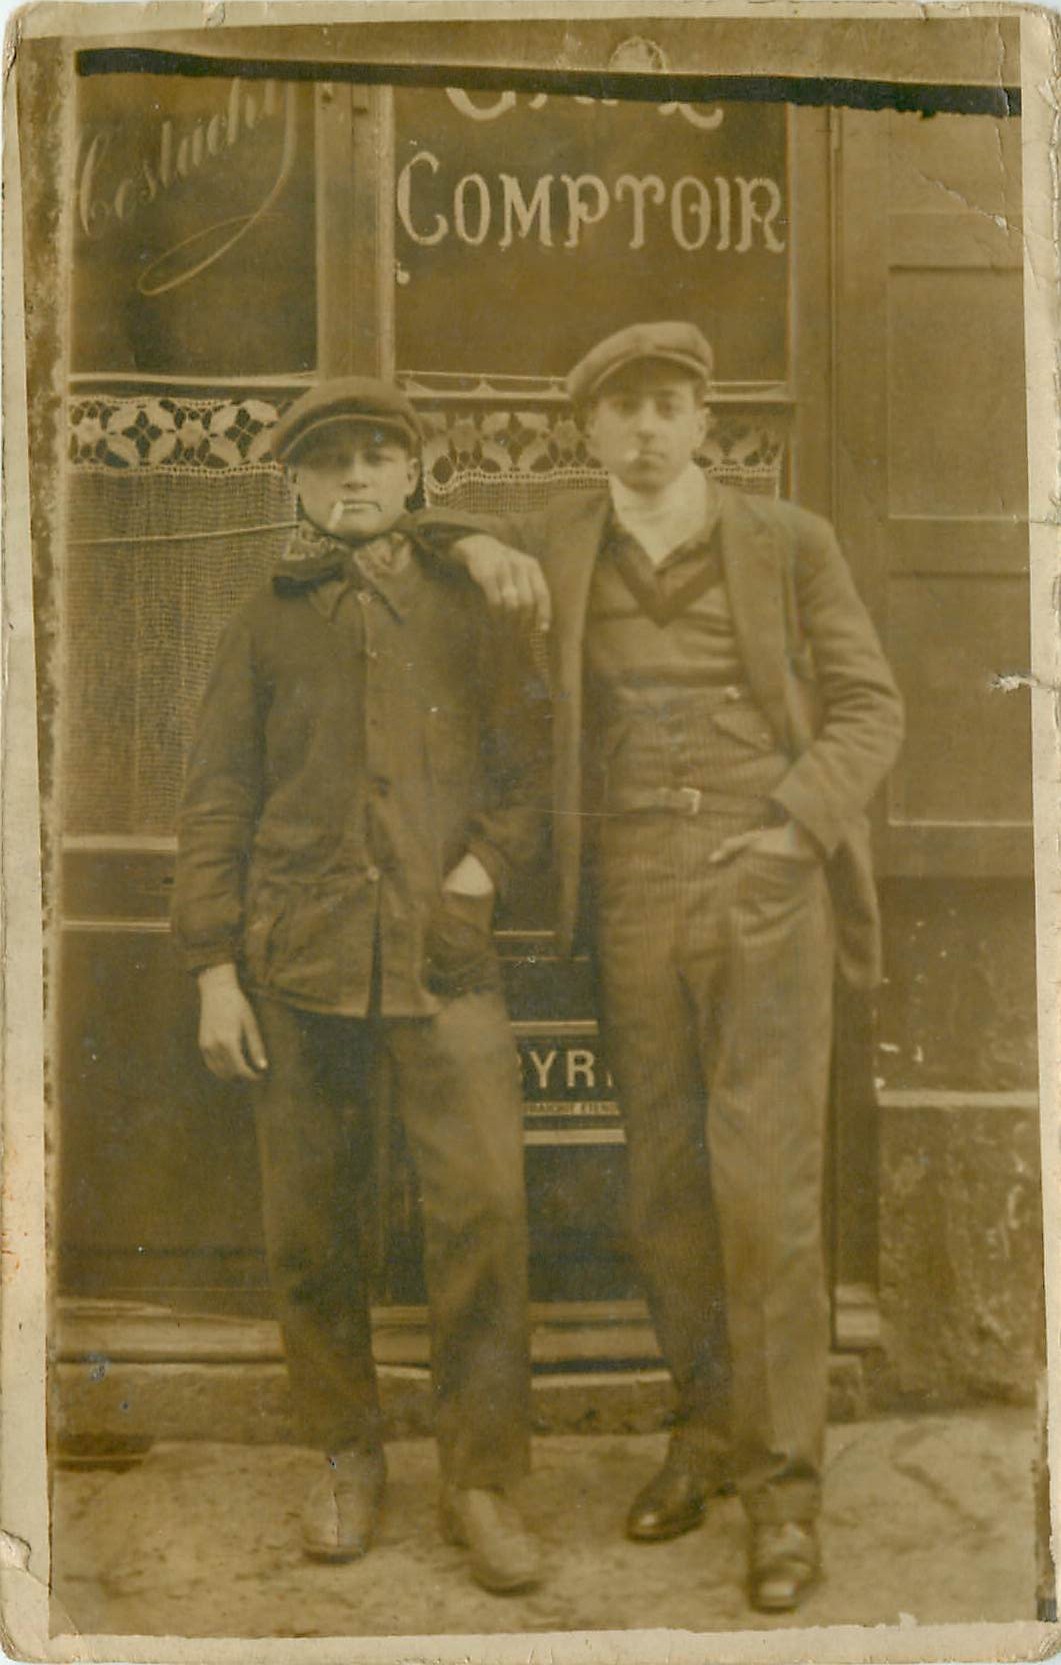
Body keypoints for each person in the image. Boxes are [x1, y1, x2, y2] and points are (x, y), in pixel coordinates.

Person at [422, 321, 904, 1613]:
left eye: (668, 404)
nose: (645, 427)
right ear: (586, 429)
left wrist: (791, 830)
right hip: (629, 893)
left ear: (703, 422)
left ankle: (783, 1496)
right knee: (665, 1187)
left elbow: (871, 705)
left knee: (767, 1191)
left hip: (762, 891)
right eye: (622, 407)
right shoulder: (556, 536)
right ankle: (703, 1434)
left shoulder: (787, 541)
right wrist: (469, 545)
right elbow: (418, 518)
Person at [171, 377, 548, 1594]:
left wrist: (478, 877)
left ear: (413, 476)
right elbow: (216, 799)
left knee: (482, 1214)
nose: (352, 478)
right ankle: (343, 1455)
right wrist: (213, 968)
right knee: (311, 1228)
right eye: (327, 461)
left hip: (446, 960)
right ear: (295, 483)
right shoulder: (264, 622)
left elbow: (529, 768)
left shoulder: (471, 600)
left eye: (375, 457)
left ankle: (480, 1481)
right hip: (300, 965)